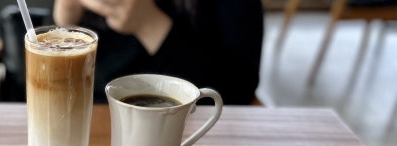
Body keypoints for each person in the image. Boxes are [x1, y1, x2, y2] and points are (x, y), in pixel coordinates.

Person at [52, 0, 264, 104]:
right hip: (88, 117)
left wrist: (149, 24)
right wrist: (65, 21)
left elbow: (239, 88)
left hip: (193, 125)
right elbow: (36, 73)